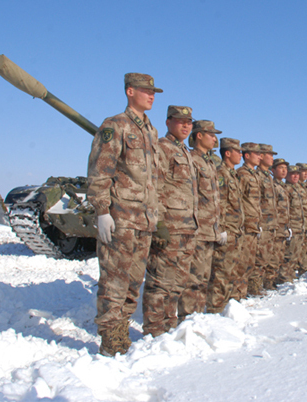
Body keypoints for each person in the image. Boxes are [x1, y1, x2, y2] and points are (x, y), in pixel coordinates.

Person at [87, 73, 161, 356]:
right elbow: (100, 169)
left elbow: (153, 180)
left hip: (144, 221)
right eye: (145, 90)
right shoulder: (115, 125)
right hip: (121, 218)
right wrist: (102, 211)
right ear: (130, 91)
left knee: (133, 282)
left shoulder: (150, 131)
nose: (151, 95)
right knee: (114, 282)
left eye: (153, 91)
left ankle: (121, 331)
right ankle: (111, 341)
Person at [142, 105, 198, 337]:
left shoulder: (184, 151)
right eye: (179, 121)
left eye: (189, 122)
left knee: (177, 283)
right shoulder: (162, 149)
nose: (185, 125)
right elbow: (154, 187)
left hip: (186, 227)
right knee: (160, 282)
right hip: (170, 228)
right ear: (167, 123)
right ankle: (154, 331)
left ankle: (168, 325)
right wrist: (160, 224)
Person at [184, 120, 223, 320]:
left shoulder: (209, 162)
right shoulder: (192, 160)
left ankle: (197, 318)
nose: (215, 139)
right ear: (199, 135)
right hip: (197, 229)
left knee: (203, 279)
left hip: (210, 230)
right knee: (194, 279)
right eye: (211, 134)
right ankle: (189, 318)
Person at [207, 138, 245, 313]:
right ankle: (216, 309)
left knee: (231, 272)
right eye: (238, 151)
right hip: (227, 231)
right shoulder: (221, 173)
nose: (241, 155)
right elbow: (218, 203)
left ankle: (227, 308)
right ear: (227, 153)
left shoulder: (233, 175)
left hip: (236, 230)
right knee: (221, 273)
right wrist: (220, 228)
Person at [235, 142, 262, 298]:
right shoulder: (242, 174)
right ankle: (238, 295)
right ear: (247, 155)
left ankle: (244, 292)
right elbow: (237, 200)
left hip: (254, 225)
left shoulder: (254, 175)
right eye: (256, 153)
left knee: (250, 262)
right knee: (242, 263)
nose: (259, 157)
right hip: (245, 225)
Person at [256, 144, 279, 291]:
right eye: (269, 155)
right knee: (259, 258)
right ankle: (255, 287)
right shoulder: (257, 176)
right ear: (261, 156)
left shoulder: (268, 177)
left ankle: (266, 284)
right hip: (262, 224)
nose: (272, 158)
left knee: (269, 256)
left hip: (271, 224)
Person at [282, 165, 305, 283]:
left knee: (296, 252)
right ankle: (285, 276)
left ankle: (290, 273)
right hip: (292, 226)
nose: (296, 176)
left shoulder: (298, 189)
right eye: (293, 174)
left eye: (297, 174)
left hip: (299, 225)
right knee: (289, 253)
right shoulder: (286, 189)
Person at [271, 158, 291, 286]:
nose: (284, 171)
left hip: (283, 226)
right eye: (280, 168)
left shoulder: (283, 187)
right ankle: (270, 282)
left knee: (280, 256)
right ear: (273, 170)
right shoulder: (272, 186)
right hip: (276, 226)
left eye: (285, 168)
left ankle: (276, 279)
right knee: (273, 256)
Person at [295, 163, 307, 276]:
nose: (306, 173)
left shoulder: (306, 187)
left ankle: (303, 267)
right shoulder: (295, 187)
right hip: (298, 223)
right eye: (303, 171)